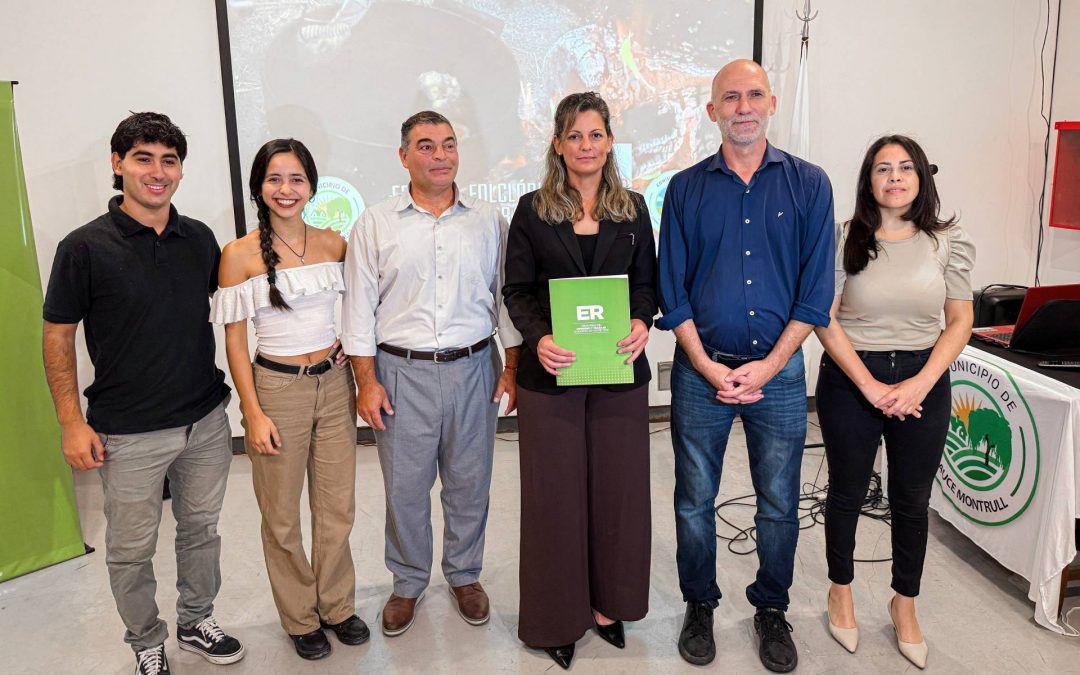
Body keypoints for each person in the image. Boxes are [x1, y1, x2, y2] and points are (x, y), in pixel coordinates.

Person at [42, 112, 244, 675]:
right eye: (143, 158)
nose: (158, 172)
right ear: (118, 164)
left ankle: (195, 619)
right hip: (126, 433)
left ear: (180, 169)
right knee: (131, 551)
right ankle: (145, 640)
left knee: (201, 531)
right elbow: (58, 336)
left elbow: (230, 317)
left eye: (169, 160)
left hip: (204, 422)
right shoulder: (83, 247)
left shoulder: (199, 238)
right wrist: (70, 421)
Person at [657, 59, 835, 673]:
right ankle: (699, 604)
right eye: (729, 98)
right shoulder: (684, 189)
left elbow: (815, 293)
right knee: (693, 500)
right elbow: (671, 289)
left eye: (753, 95)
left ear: (772, 103)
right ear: (712, 111)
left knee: (779, 503)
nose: (743, 107)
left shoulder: (810, 185)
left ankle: (770, 608)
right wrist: (707, 366)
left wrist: (769, 366)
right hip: (700, 372)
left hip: (780, 378)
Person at [341, 110, 522, 637]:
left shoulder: (489, 219)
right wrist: (366, 381)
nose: (439, 155)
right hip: (401, 373)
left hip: (474, 369)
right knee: (405, 488)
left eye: (448, 145)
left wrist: (509, 368)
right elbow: (358, 310)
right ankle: (407, 582)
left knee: (470, 484)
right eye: (426, 146)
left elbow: (506, 300)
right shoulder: (375, 222)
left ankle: (465, 575)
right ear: (404, 156)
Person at [503, 91, 658, 670]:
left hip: (620, 371)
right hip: (553, 378)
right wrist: (538, 337)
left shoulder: (635, 209)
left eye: (595, 135)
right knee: (554, 499)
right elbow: (516, 290)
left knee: (619, 494)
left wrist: (642, 321)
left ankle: (609, 607)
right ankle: (557, 617)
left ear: (610, 141)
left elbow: (647, 284)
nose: (585, 146)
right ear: (557, 143)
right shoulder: (532, 210)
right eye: (574, 136)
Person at [815, 135, 974, 669]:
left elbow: (960, 321)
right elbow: (825, 318)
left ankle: (904, 604)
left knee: (911, 499)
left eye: (905, 168)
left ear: (921, 178)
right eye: (883, 169)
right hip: (850, 377)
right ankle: (841, 591)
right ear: (868, 180)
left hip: (922, 380)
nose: (895, 177)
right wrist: (869, 386)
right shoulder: (843, 237)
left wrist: (921, 383)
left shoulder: (948, 240)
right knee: (846, 493)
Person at [211, 138, 367, 660]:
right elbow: (234, 340)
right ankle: (300, 617)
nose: (286, 189)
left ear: (312, 186)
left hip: (334, 385)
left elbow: (358, 308)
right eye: (275, 178)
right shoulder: (238, 255)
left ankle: (338, 606)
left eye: (296, 179)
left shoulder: (333, 244)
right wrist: (251, 412)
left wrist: (348, 341)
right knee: (280, 515)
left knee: (336, 505)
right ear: (259, 186)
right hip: (276, 389)